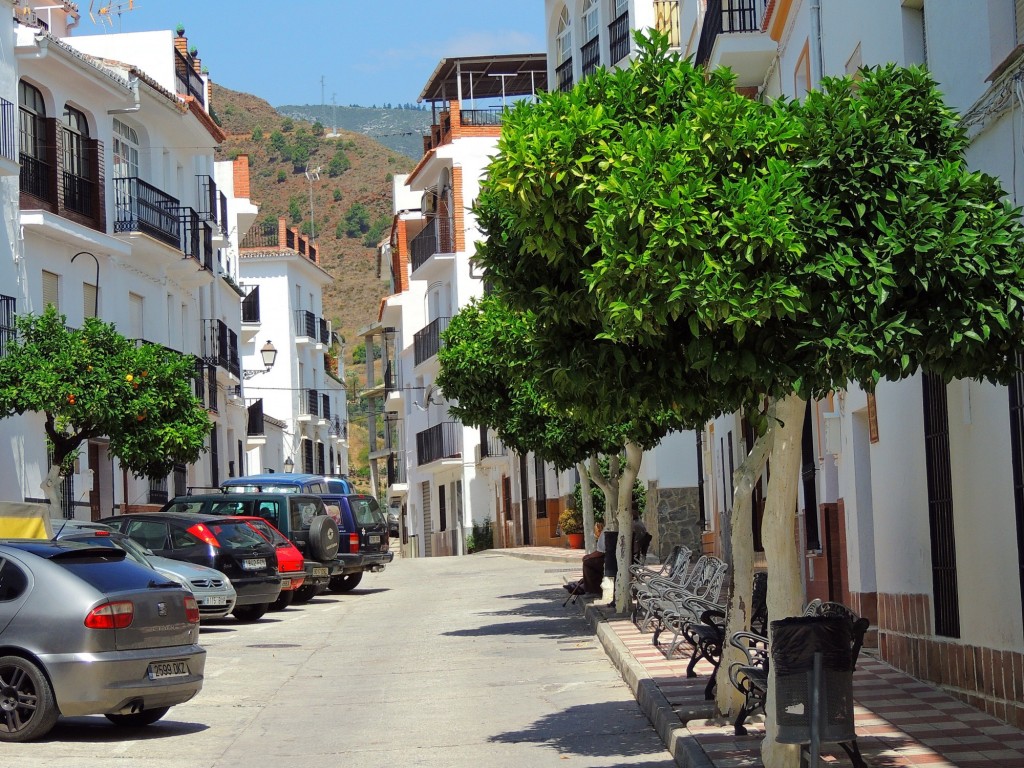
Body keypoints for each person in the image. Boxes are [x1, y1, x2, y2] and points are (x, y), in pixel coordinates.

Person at [565, 522, 606, 597]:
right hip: (607, 558)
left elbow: (600, 552)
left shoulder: (604, 533)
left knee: (588, 562)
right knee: (590, 562)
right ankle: (581, 585)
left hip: (606, 560)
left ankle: (591, 590)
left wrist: (588, 556)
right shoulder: (605, 532)